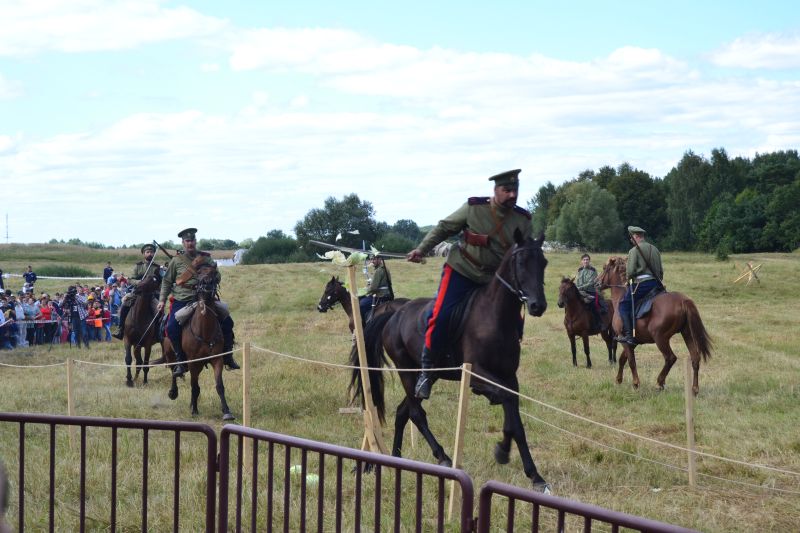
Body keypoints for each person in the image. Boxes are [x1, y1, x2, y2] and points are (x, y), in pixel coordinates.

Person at [406, 169, 532, 399]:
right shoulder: (474, 208)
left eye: (516, 190)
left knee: (515, 321)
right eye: (507, 190)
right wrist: (421, 249)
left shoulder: (522, 220)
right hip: (461, 271)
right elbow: (445, 227)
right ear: (495, 191)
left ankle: (493, 369)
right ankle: (427, 370)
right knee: (441, 315)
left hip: (494, 280)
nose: (512, 194)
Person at [157, 228, 239, 377]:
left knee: (227, 321)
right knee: (171, 327)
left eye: (192, 240)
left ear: (196, 241)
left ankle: (227, 356)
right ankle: (181, 361)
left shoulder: (205, 258)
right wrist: (162, 300)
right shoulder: (176, 261)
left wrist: (211, 276)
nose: (190, 243)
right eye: (187, 241)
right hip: (183, 298)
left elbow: (217, 276)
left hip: (205, 297)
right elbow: (167, 282)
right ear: (183, 243)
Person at [615, 226, 663, 346]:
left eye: (632, 238)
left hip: (642, 284)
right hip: (656, 284)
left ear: (636, 236)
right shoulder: (655, 249)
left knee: (624, 305)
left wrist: (629, 280)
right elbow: (661, 271)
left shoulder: (634, 251)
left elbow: (630, 271)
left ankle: (630, 337)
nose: (632, 241)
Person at [113, 244, 161, 339]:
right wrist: (141, 282)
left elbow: (160, 282)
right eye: (147, 252)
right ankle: (121, 329)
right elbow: (130, 280)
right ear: (144, 254)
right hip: (137, 292)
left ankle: (158, 333)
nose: (150, 254)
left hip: (151, 295)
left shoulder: (157, 267)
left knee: (160, 312)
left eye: (151, 252)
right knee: (124, 306)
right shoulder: (138, 266)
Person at [358, 255, 394, 320]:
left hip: (380, 296)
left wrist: (363, 291)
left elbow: (373, 288)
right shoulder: (384, 268)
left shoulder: (379, 270)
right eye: (371, 259)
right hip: (387, 295)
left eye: (374, 259)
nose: (372, 261)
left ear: (380, 259)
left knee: (361, 304)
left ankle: (363, 326)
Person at [575, 253, 602, 328]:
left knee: (593, 305)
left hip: (591, 291)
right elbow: (578, 281)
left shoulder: (593, 270)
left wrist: (579, 288)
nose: (586, 261)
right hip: (580, 292)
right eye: (584, 260)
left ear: (589, 261)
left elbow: (590, 283)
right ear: (581, 261)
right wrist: (576, 288)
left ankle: (598, 322)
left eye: (587, 260)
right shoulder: (579, 270)